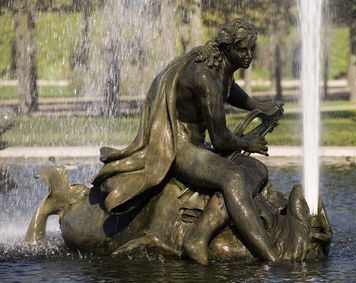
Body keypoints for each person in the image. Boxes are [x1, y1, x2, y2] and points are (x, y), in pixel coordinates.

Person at [92, 19, 283, 263]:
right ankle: (269, 257)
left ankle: (200, 235)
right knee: (233, 177)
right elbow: (222, 139)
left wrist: (260, 106)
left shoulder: (218, 67)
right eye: (242, 50)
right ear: (227, 48)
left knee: (256, 169)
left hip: (199, 145)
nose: (248, 56)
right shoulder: (206, 78)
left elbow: (231, 89)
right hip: (181, 148)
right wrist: (248, 143)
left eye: (252, 49)